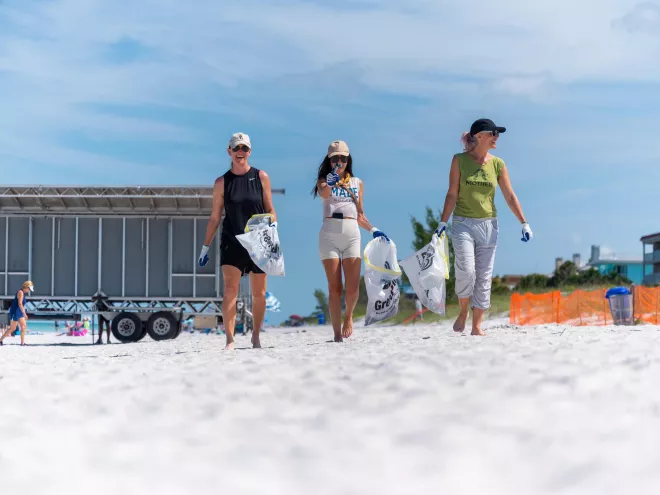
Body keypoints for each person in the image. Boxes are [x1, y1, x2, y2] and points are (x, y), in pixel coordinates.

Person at [436, 118, 532, 336]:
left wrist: (524, 222)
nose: (496, 137)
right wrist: (443, 221)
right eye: (493, 133)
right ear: (480, 136)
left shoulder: (498, 164)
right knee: (466, 271)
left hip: (489, 225)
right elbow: (452, 193)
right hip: (462, 223)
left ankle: (477, 326)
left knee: (484, 276)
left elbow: (509, 195)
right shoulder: (459, 160)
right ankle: (463, 311)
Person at [199, 132, 277, 350]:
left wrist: (272, 226)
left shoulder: (261, 176)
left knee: (259, 294)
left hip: (259, 241)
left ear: (249, 151)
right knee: (230, 290)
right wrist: (205, 247)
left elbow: (270, 209)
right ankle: (230, 340)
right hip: (232, 240)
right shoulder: (222, 182)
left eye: (244, 148)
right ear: (229, 151)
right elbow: (215, 217)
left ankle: (256, 336)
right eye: (236, 148)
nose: (240, 152)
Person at [312, 140, 390, 342]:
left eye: (343, 158)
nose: (339, 161)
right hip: (329, 234)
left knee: (353, 287)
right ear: (329, 160)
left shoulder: (357, 183)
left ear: (348, 159)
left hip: (352, 234)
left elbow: (360, 214)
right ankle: (337, 333)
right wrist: (331, 180)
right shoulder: (324, 180)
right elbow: (324, 194)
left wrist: (374, 230)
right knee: (334, 288)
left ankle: (349, 317)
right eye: (335, 158)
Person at [0, 280, 34, 346]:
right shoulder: (20, 292)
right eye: (29, 289)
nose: (29, 291)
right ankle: (0, 340)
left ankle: (22, 343)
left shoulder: (23, 292)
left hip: (19, 312)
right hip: (15, 312)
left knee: (23, 326)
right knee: (13, 328)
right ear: (26, 287)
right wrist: (24, 313)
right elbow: (20, 304)